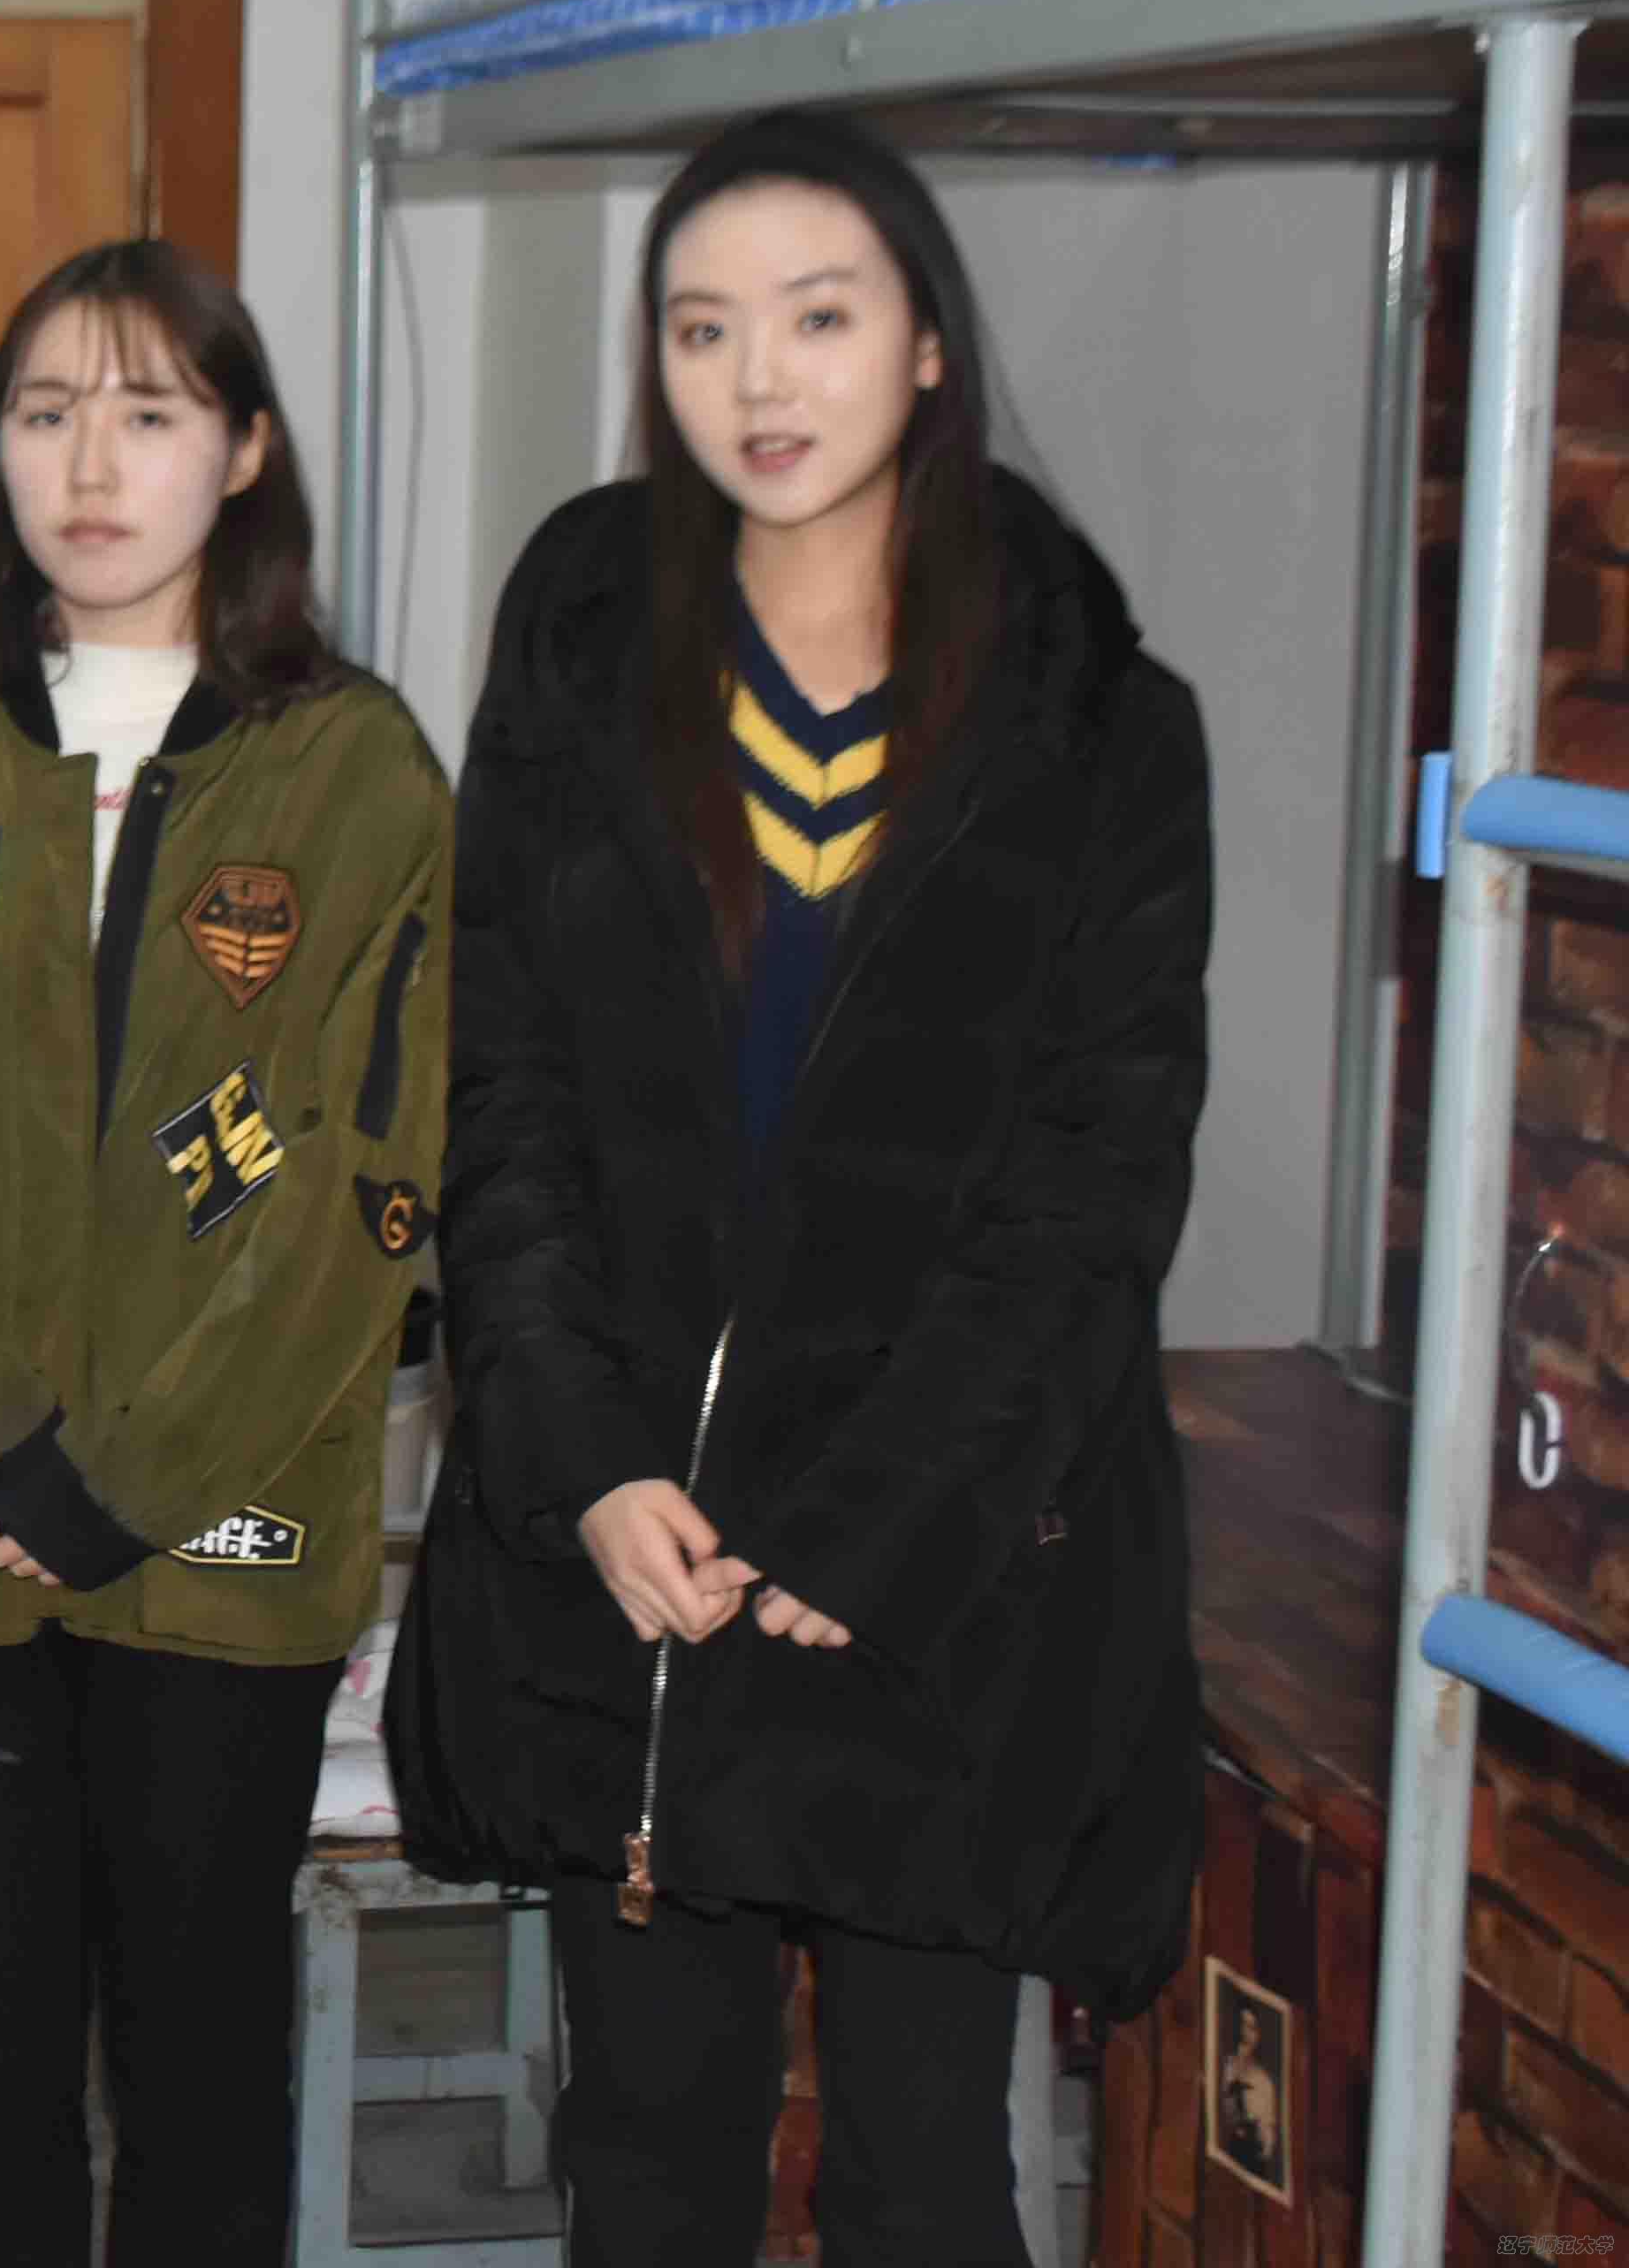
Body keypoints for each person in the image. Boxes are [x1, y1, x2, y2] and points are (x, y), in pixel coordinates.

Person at [388, 110, 1211, 2265]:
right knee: (648, 2156)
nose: (756, 377)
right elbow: (501, 1103)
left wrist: (882, 1517)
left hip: (946, 1576)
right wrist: (577, 1460)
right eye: (699, 327)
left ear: (926, 342)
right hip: (638, 1560)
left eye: (817, 317)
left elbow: (1096, 1182)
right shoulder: (581, 668)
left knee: (920, 2173)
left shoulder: (1102, 729)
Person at [0, 240, 445, 2265]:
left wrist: (127, 1474)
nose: (90, 461)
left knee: (202, 2060)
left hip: (220, 1536)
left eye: (148, 413)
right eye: (45, 410)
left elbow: (370, 1178)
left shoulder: (357, 771)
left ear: (243, 451)